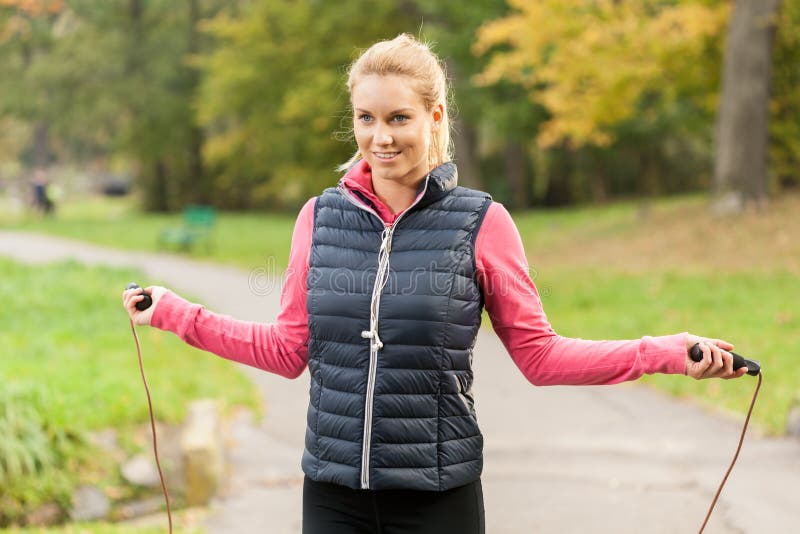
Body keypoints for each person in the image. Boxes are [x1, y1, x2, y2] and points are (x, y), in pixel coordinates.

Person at [122, 34, 746, 534]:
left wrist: (665, 352)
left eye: (398, 117)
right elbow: (288, 350)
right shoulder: (318, 217)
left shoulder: (481, 222)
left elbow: (540, 355)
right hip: (332, 493)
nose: (380, 137)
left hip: (436, 498)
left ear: (435, 116)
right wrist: (177, 313)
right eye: (366, 118)